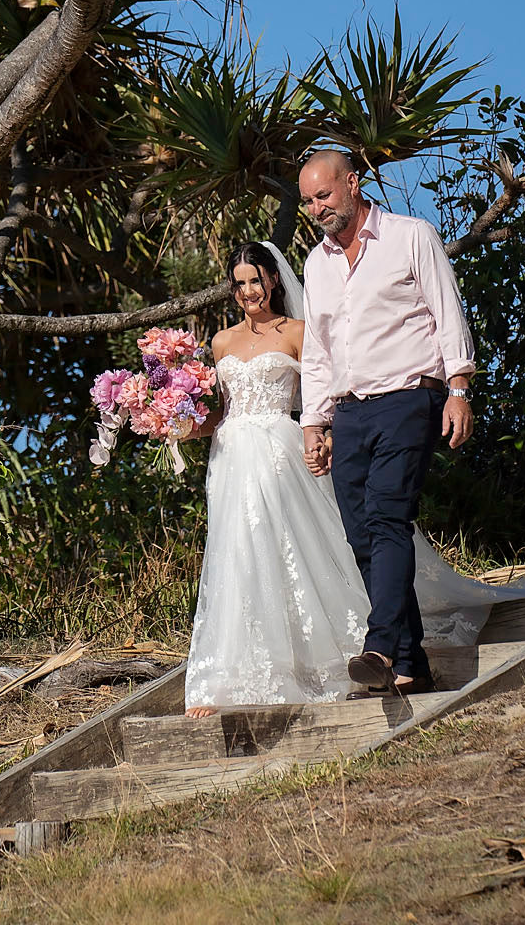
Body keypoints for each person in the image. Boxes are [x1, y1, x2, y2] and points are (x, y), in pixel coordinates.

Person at [299, 149, 475, 697]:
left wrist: (460, 389)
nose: (315, 208)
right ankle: (411, 662)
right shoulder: (316, 264)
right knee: (360, 536)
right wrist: (314, 423)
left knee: (387, 516)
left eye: (323, 195)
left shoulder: (410, 235)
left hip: (408, 399)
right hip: (349, 411)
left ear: (353, 184)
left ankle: (379, 646)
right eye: (307, 201)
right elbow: (318, 352)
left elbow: (448, 313)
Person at [184, 240, 371, 718]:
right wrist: (174, 421)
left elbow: (323, 394)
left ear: (273, 279)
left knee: (288, 546)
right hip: (229, 456)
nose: (249, 291)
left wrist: (324, 436)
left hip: (279, 450)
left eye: (256, 280)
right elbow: (219, 413)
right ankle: (228, 673)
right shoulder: (221, 342)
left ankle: (320, 656)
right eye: (240, 283)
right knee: (236, 553)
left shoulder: (298, 332)